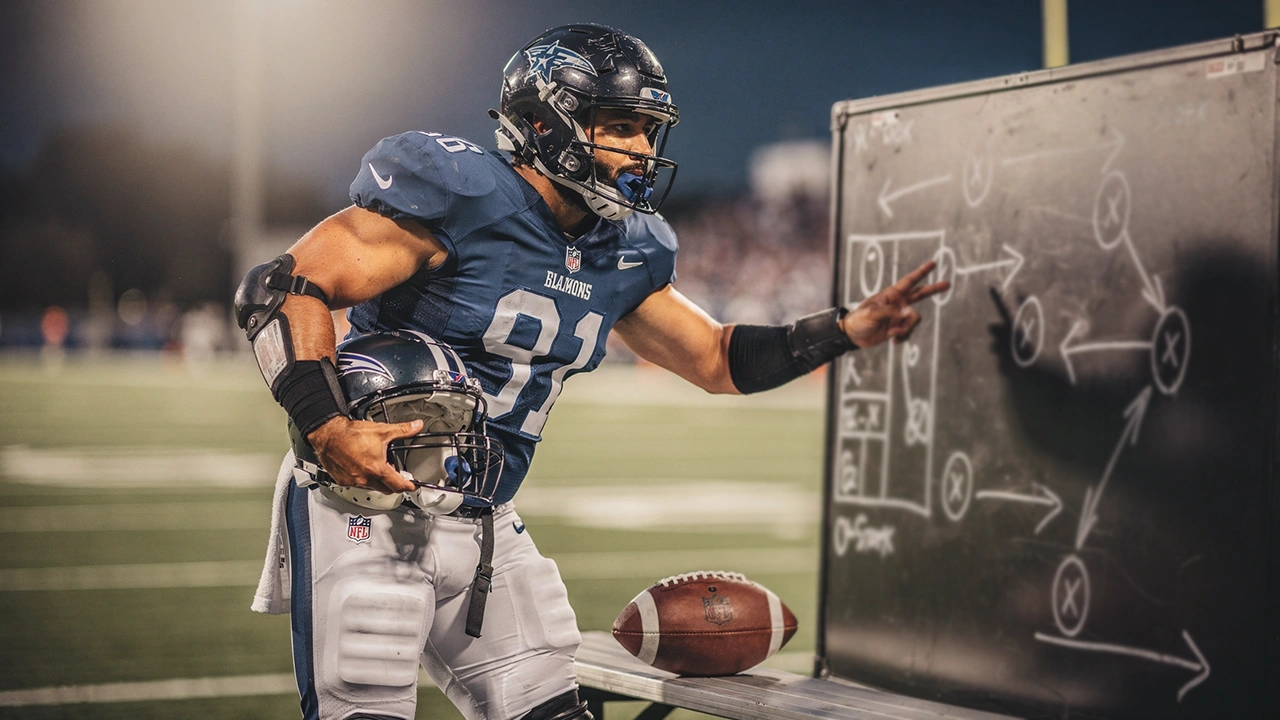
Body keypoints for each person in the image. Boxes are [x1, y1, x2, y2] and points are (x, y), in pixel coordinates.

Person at [235, 22, 948, 720]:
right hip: (370, 508)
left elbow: (717, 359)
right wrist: (325, 425)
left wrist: (846, 329)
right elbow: (283, 288)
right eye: (623, 127)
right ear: (548, 123)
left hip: (486, 522)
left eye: (648, 130)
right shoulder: (460, 193)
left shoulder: (625, 249)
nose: (643, 149)